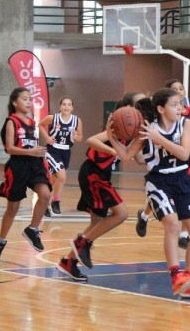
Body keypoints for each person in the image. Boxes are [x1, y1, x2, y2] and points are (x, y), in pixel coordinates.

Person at [113, 88, 190, 299]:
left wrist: (159, 139)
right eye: (174, 104)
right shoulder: (147, 129)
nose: (180, 108)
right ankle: (176, 277)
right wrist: (112, 136)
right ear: (161, 108)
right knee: (173, 224)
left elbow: (184, 154)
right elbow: (126, 155)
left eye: (180, 104)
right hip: (159, 182)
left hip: (183, 180)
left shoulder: (186, 124)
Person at [55, 92, 143, 283]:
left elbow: (139, 158)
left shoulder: (136, 131)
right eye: (140, 103)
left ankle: (68, 262)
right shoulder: (117, 126)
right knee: (121, 214)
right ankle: (82, 243)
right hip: (93, 173)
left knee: (97, 223)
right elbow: (90, 141)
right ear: (128, 109)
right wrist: (114, 150)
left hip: (101, 175)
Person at [135, 79, 190, 250]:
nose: (179, 92)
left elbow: (188, 138)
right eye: (175, 89)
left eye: (181, 89)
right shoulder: (155, 123)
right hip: (161, 171)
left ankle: (185, 235)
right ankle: (144, 215)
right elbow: (138, 157)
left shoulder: (187, 115)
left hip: (182, 164)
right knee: (161, 199)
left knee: (188, 195)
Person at [0, 87, 53, 262]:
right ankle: (1, 240)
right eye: (24, 99)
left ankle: (32, 229)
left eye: (29, 99)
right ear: (14, 102)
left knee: (45, 195)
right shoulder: (11, 122)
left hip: (35, 164)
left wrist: (42, 150)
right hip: (18, 166)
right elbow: (9, 148)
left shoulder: (33, 122)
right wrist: (31, 151)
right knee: (13, 209)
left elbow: (38, 144)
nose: (28, 102)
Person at [38, 96, 83, 217]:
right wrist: (47, 138)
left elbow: (80, 138)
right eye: (64, 104)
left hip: (66, 152)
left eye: (69, 105)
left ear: (72, 108)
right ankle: (56, 201)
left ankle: (44, 203)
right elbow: (40, 125)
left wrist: (75, 135)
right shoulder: (53, 118)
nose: (66, 107)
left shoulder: (76, 120)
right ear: (60, 107)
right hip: (53, 150)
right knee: (62, 176)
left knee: (53, 180)